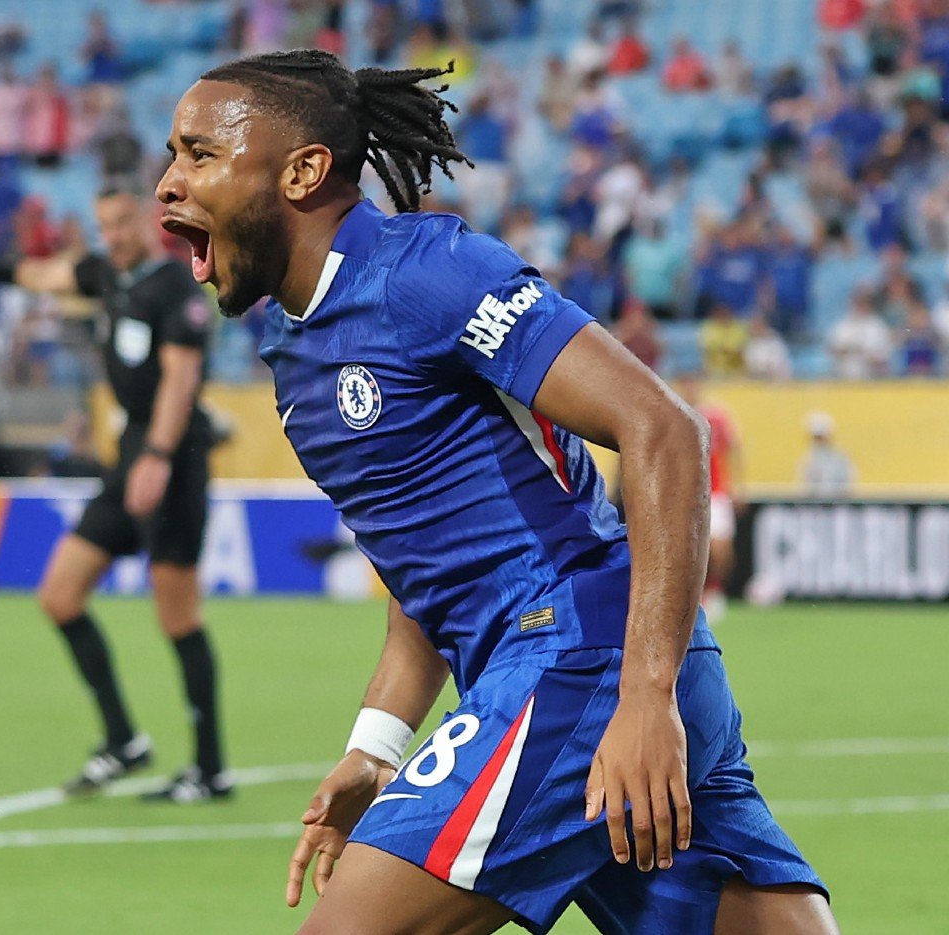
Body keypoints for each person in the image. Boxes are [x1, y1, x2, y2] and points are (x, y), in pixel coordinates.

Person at [156, 50, 835, 933]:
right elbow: (423, 572)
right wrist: (375, 746)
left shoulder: (428, 272)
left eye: (199, 154)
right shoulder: (294, 355)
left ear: (303, 170)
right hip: (566, 674)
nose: (168, 183)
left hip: (584, 659)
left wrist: (644, 694)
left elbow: (665, 428)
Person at [0, 186, 229, 802]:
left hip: (170, 460)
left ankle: (210, 767)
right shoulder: (105, 276)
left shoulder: (173, 289)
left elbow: (182, 378)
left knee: (177, 615)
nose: (113, 235)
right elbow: (45, 272)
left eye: (122, 223)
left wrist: (157, 456)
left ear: (146, 222)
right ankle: (124, 741)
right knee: (60, 596)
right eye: (103, 224)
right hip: (130, 462)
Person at [676, 373, 744, 624]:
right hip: (686, 493)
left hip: (715, 491)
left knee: (721, 549)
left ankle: (715, 589)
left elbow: (734, 448)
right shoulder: (675, 414)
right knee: (690, 549)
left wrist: (738, 486)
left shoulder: (715, 416)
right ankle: (697, 596)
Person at [798, 412, 855, 498]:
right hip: (814, 507)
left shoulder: (840, 459)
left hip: (837, 506)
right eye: (816, 437)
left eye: (821, 437)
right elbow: (804, 487)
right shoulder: (807, 460)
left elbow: (848, 485)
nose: (818, 441)